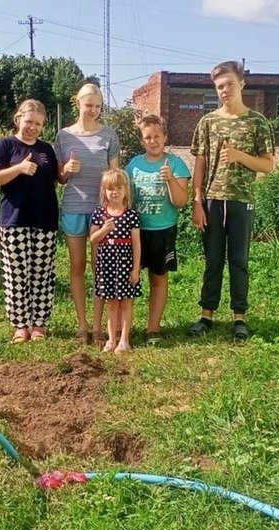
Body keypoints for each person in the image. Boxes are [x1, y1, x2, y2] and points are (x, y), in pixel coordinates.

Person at [188, 61, 275, 342]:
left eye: (229, 84)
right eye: (219, 86)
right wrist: (197, 200)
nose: (224, 90)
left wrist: (238, 156)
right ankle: (206, 315)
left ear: (242, 84)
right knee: (213, 261)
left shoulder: (257, 122)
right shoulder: (208, 122)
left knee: (239, 262)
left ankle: (240, 318)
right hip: (212, 200)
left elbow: (267, 165)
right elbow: (199, 162)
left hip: (241, 201)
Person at [0, 99, 59, 344]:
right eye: (29, 122)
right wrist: (18, 168)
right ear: (18, 119)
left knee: (42, 274)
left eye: (38, 124)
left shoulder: (47, 149)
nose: (33, 127)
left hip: (45, 219)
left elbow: (58, 179)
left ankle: (39, 325)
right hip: (14, 220)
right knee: (16, 274)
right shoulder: (5, 145)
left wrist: (68, 170)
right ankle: (20, 325)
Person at [54, 83, 120, 346]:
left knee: (100, 269)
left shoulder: (109, 135)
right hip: (73, 207)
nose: (93, 110)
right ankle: (82, 326)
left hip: (101, 212)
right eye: (88, 105)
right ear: (78, 104)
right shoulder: (64, 136)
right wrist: (67, 168)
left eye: (97, 106)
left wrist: (115, 206)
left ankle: (97, 326)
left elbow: (116, 176)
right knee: (78, 267)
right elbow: (59, 178)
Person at [126, 114, 190, 345]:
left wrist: (171, 180)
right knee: (129, 279)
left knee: (158, 278)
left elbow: (182, 201)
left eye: (157, 136)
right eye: (147, 137)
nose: (152, 141)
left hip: (162, 230)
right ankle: (126, 327)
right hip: (134, 231)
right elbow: (126, 198)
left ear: (165, 138)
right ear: (142, 141)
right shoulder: (133, 165)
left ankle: (153, 328)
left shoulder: (176, 164)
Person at [89, 169, 141, 353]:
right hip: (107, 266)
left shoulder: (131, 215)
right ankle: (111, 340)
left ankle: (124, 340)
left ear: (125, 190)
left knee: (126, 302)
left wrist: (136, 269)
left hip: (126, 265)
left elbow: (136, 244)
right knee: (111, 303)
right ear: (104, 190)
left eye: (119, 188)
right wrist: (104, 229)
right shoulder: (99, 214)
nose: (115, 192)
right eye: (110, 188)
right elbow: (93, 239)